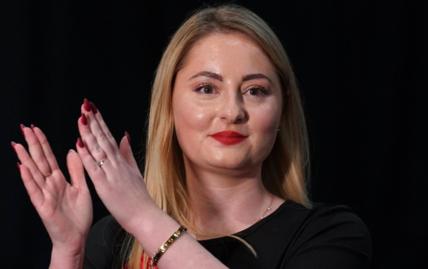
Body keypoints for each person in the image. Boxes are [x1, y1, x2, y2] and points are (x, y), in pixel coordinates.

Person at [11, 4, 371, 269]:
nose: (232, 111)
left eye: (256, 91)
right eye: (206, 88)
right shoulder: (113, 241)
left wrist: (144, 217)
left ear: (283, 111)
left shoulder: (330, 235)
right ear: (169, 105)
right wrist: (68, 251)